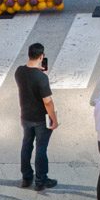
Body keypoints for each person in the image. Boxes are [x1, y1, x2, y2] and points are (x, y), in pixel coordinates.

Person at [14, 43, 57, 190]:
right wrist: (54, 119)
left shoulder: (19, 71)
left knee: (26, 145)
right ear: (41, 56)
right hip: (40, 119)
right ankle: (41, 180)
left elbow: (29, 77)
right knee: (41, 148)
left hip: (25, 116)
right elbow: (48, 102)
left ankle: (26, 178)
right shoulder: (41, 78)